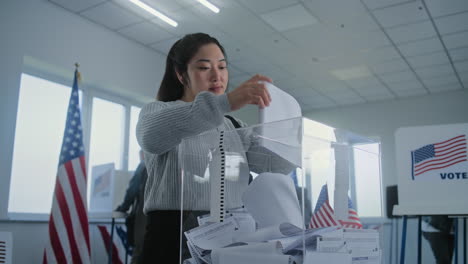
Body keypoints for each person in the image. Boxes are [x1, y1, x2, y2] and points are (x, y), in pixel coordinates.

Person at [136, 32, 278, 263]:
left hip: (233, 234)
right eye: (204, 68)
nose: (217, 76)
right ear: (181, 75)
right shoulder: (157, 111)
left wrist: (280, 121)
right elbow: (152, 136)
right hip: (173, 237)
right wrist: (225, 102)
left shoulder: (234, 125)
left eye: (222, 67)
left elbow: (276, 166)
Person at [115, 150, 148, 264]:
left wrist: (122, 208)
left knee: (139, 251)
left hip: (143, 217)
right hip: (160, 216)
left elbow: (132, 191)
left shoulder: (143, 165)